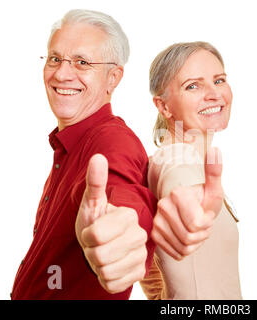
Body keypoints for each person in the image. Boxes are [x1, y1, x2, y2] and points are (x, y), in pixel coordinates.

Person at [10, 9, 157, 299]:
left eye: (82, 62)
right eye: (55, 59)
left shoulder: (114, 142)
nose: (62, 74)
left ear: (112, 78)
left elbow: (123, 198)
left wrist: (121, 230)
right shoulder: (68, 145)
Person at [140, 42, 242, 299]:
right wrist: (186, 210)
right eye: (193, 86)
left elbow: (153, 280)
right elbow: (180, 185)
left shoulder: (181, 159)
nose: (214, 94)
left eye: (219, 80)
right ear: (164, 107)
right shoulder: (177, 160)